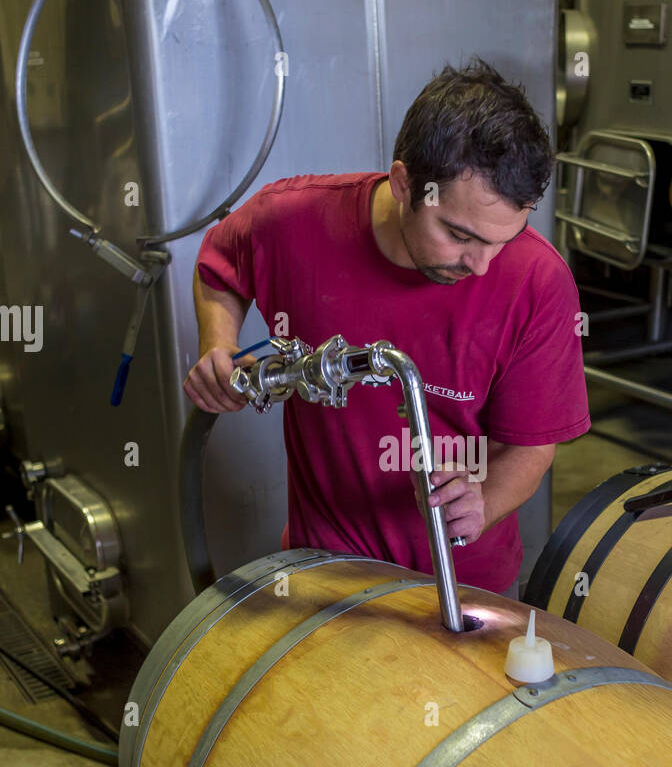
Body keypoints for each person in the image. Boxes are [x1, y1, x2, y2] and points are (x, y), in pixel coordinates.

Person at [184, 58, 590, 599]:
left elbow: (532, 446)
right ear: (405, 183)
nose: (482, 265)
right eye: (459, 234)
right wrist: (219, 344)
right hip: (325, 571)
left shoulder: (538, 282)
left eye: (503, 239)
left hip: (463, 583)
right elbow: (220, 266)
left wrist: (484, 501)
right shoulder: (294, 223)